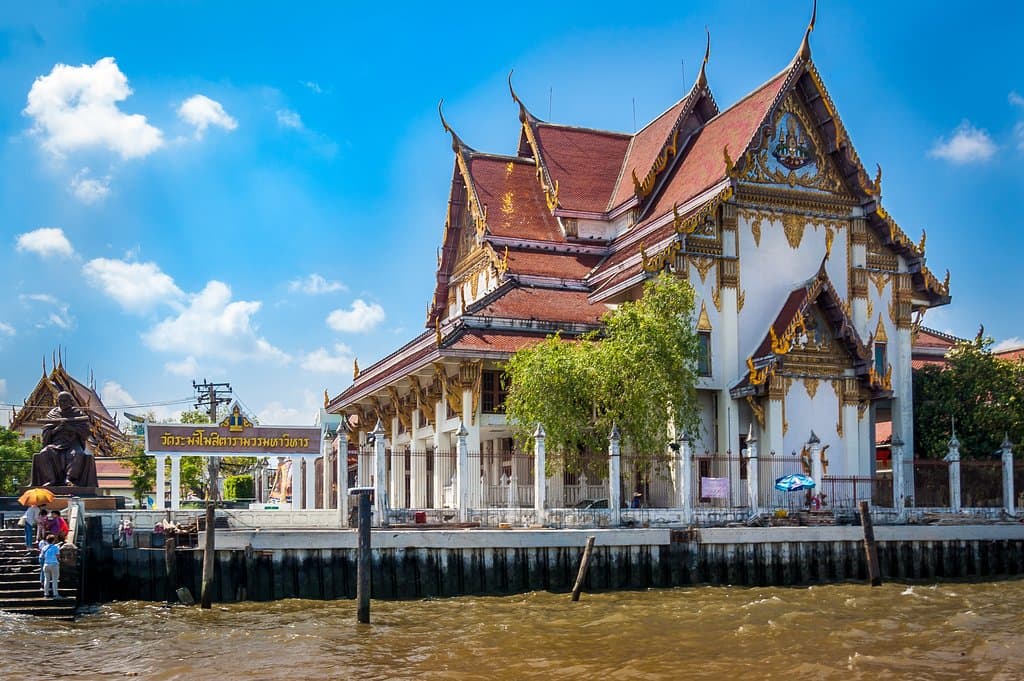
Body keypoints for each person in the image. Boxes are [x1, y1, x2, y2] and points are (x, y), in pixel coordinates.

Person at [31, 391, 97, 488]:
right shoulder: (53, 414)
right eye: (60, 401)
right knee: (44, 453)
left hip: (72, 444)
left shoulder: (77, 413)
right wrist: (57, 429)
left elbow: (85, 432)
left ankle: (69, 478)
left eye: (65, 401)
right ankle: (51, 479)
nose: (62, 403)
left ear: (70, 401)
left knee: (78, 453)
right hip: (55, 444)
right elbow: (46, 432)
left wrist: (70, 428)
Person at [41, 534, 61, 598]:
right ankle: (55, 594)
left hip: (46, 564)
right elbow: (57, 556)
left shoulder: (44, 548)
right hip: (54, 564)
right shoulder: (56, 547)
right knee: (54, 580)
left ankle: (46, 594)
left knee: (46, 580)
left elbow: (42, 556)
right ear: (53, 540)